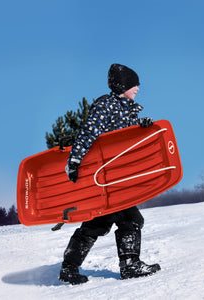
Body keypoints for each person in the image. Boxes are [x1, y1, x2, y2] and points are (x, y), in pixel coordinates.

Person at [60, 63, 161, 285]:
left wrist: (141, 128)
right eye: (134, 85)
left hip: (118, 176)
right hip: (107, 177)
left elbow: (129, 144)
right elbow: (88, 132)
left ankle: (69, 267)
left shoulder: (129, 111)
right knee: (131, 219)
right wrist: (75, 160)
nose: (137, 89)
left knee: (97, 223)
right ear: (123, 85)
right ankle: (130, 265)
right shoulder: (106, 106)